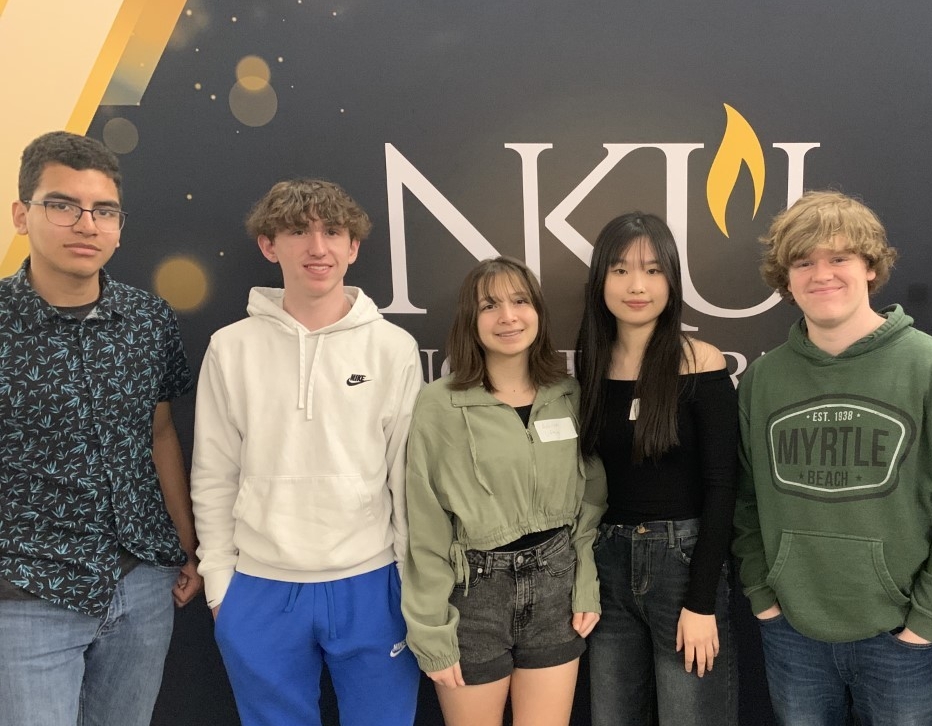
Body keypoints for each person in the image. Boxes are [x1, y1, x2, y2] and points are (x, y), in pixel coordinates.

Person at [733, 190, 932, 726]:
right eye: (803, 262)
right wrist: (763, 594)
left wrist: (928, 621)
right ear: (786, 279)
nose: (821, 274)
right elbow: (746, 498)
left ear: (870, 266)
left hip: (902, 638)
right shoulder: (762, 380)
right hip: (792, 633)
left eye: (839, 257)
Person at [190, 179, 422, 726]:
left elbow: (408, 478)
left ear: (353, 247)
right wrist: (220, 587)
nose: (317, 248)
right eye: (298, 231)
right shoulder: (231, 347)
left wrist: (411, 585)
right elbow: (215, 473)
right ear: (269, 245)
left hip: (373, 583)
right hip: (260, 588)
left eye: (332, 232)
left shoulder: (392, 348)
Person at [0, 131, 200, 726]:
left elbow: (160, 434)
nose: (86, 224)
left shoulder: (148, 319)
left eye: (104, 210)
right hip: (28, 593)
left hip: (142, 586)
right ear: (22, 215)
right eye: (63, 205)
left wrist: (188, 547)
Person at [402, 256, 607, 726]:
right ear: (470, 320)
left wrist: (585, 584)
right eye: (489, 305)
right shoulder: (439, 404)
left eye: (519, 301)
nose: (508, 316)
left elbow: (590, 503)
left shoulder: (569, 395)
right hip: (473, 597)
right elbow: (426, 524)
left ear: (537, 311)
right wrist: (431, 628)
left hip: (556, 588)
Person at [576, 213, 739, 725]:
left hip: (682, 563)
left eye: (652, 270)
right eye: (621, 270)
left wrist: (701, 602)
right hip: (608, 564)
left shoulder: (700, 361)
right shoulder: (591, 366)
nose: (637, 286)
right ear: (601, 279)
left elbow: (723, 485)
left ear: (671, 279)